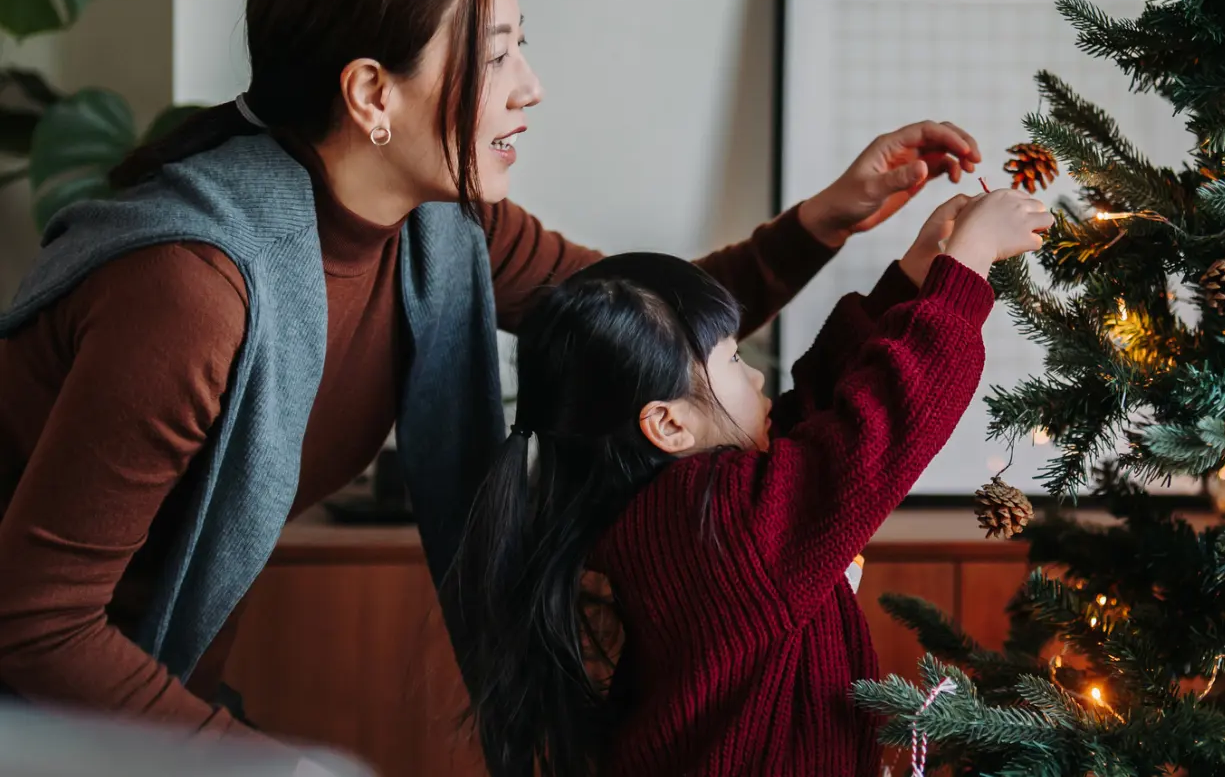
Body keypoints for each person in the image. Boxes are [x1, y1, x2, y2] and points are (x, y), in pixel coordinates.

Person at [0, 0, 985, 735]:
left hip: (136, 691)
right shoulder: (192, 292)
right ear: (372, 94)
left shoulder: (441, 231)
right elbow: (37, 624)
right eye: (498, 54)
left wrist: (833, 215)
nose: (532, 88)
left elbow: (650, 326)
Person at [446, 186, 1051, 777]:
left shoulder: (679, 504)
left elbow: (812, 424)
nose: (758, 378)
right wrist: (964, 268)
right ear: (668, 424)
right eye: (734, 359)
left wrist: (913, 280)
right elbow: (881, 427)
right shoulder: (724, 521)